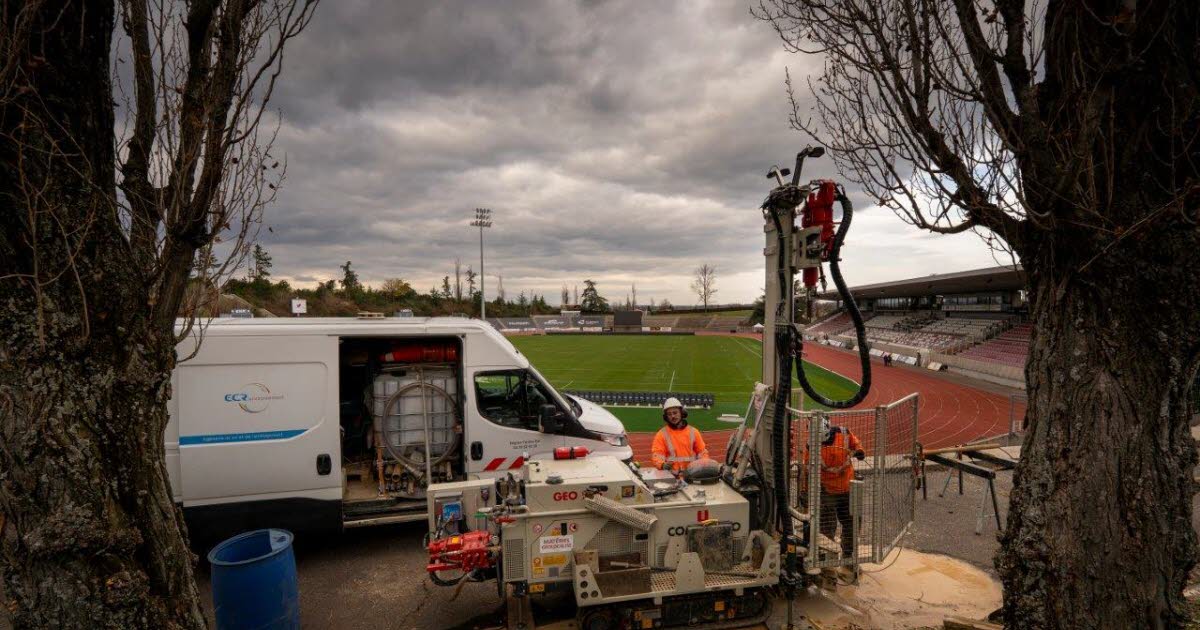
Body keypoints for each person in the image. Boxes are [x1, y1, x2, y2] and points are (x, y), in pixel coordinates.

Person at [804, 417, 866, 560]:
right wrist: (805, 490)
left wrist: (859, 451)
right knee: (826, 528)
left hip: (847, 486)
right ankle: (827, 560)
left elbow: (855, 443)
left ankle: (848, 555)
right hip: (827, 491)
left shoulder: (843, 433)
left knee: (852, 523)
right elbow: (807, 467)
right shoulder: (811, 444)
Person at [650, 397, 709, 472]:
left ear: (682, 413)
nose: (673, 416)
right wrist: (662, 464)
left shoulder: (693, 432)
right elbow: (657, 454)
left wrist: (703, 464)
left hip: (692, 474)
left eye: (675, 412)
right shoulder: (661, 434)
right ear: (666, 417)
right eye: (669, 414)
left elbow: (702, 452)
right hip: (671, 476)